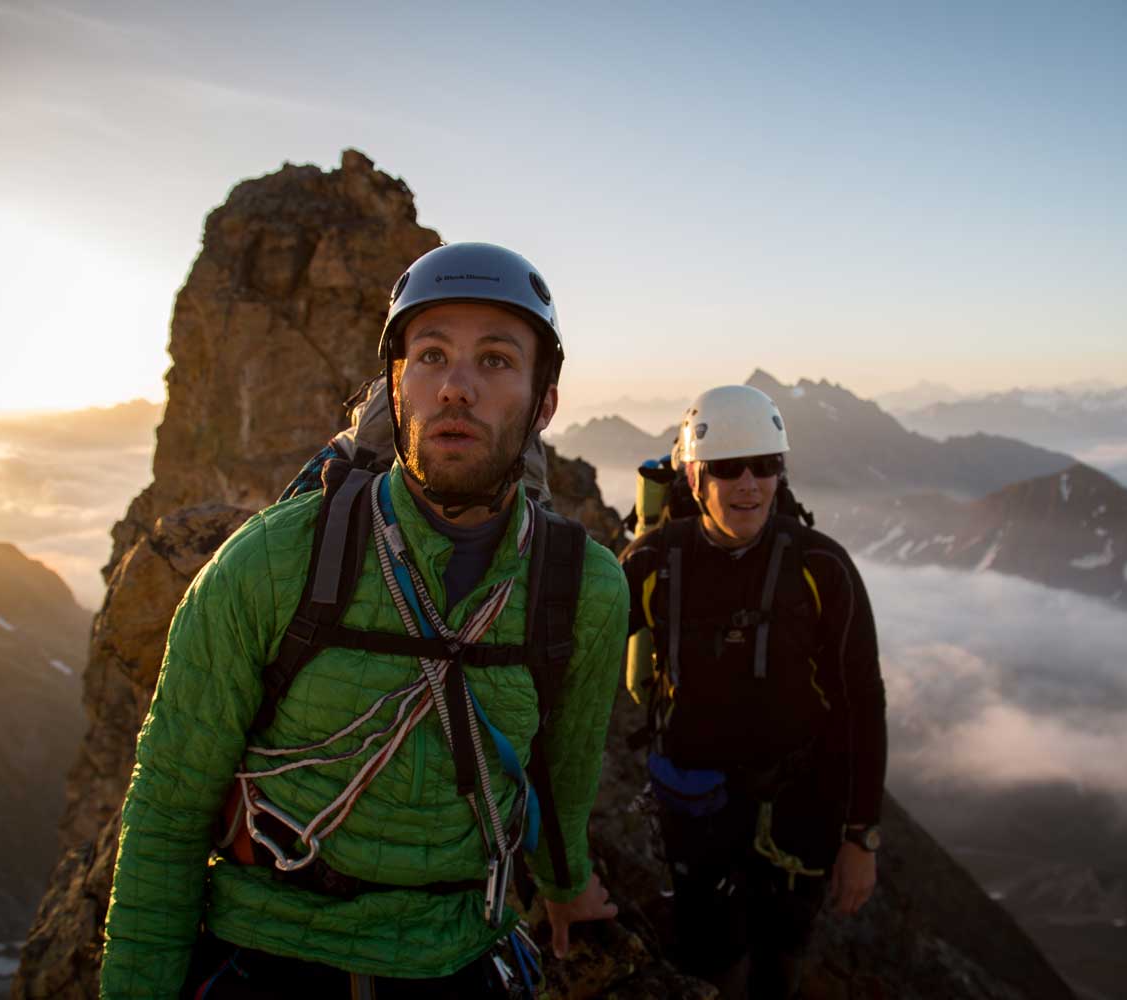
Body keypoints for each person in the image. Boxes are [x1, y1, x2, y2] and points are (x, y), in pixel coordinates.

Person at [101, 242, 628, 998]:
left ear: (544, 401)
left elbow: (564, 776)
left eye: (496, 362)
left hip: (454, 951)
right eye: (432, 355)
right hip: (267, 946)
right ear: (395, 383)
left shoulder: (587, 590)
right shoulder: (273, 562)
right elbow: (169, 811)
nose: (456, 388)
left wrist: (566, 881)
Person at [620, 384, 887, 999]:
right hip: (697, 804)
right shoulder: (654, 562)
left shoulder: (823, 568)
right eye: (726, 468)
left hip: (804, 807)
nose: (748, 484)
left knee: (782, 953)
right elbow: (577, 665)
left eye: (765, 465)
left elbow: (861, 703)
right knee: (712, 957)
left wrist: (861, 838)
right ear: (693, 477)